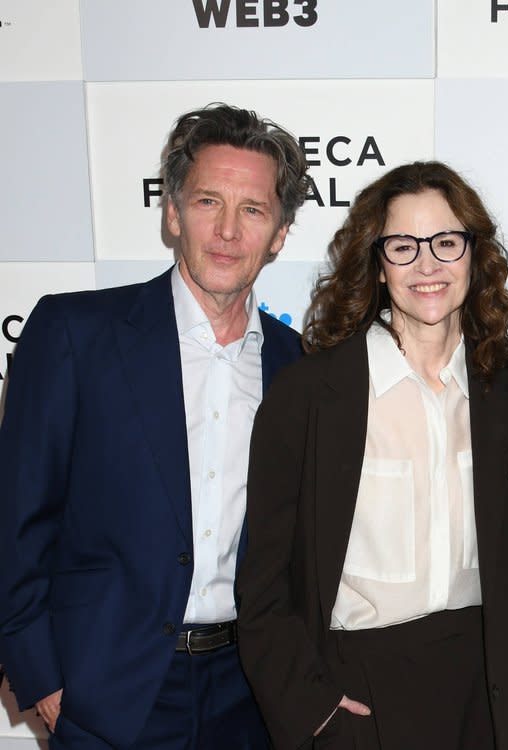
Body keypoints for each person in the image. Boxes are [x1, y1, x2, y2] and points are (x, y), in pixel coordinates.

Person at [0, 103, 308, 748]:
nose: (227, 230)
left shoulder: (297, 364)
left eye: (252, 209)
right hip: (107, 691)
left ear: (279, 233)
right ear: (172, 213)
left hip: (250, 695)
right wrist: (44, 680)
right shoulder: (75, 334)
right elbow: (18, 518)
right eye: (206, 202)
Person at [236, 161, 508, 750]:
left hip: (483, 693)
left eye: (447, 243)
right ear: (377, 261)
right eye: (403, 246)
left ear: (474, 256)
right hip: (358, 691)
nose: (428, 266)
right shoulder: (308, 397)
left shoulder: (507, 396)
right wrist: (312, 706)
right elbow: (264, 584)